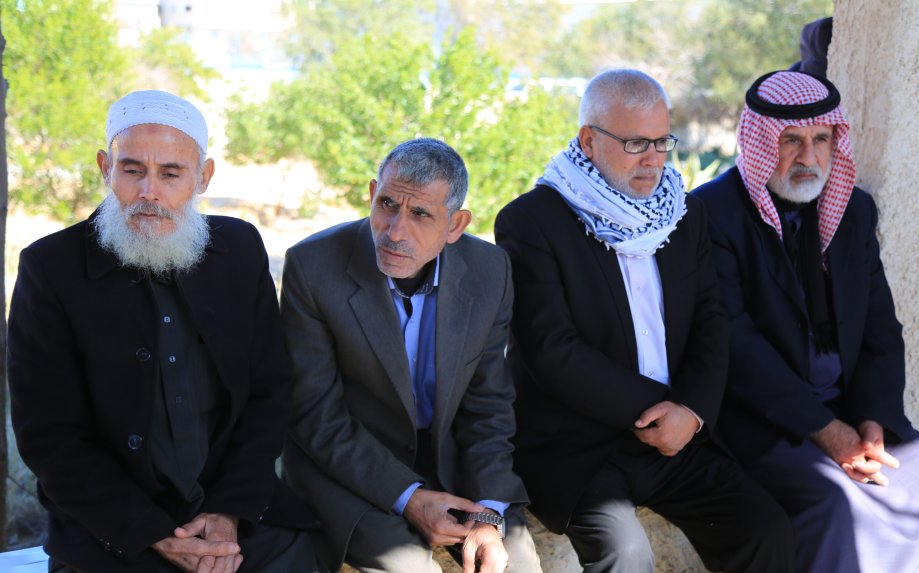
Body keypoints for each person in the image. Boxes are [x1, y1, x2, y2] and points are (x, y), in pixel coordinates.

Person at [8, 91, 322, 572]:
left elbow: (269, 392)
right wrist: (152, 534)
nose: (148, 192)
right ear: (105, 168)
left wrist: (228, 513)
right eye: (132, 170)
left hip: (235, 518)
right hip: (114, 530)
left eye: (171, 174)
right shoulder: (50, 268)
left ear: (203, 177)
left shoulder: (239, 250)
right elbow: (49, 435)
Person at [494, 68, 794, 573]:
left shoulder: (683, 214)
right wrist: (659, 409)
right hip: (579, 446)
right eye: (635, 143)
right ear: (589, 140)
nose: (653, 159)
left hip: (675, 437)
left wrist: (691, 411)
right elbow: (551, 349)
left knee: (766, 529)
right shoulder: (531, 221)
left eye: (661, 142)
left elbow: (711, 321)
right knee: (626, 556)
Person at [692, 70, 919, 572]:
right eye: (790, 140)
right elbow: (734, 345)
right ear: (760, 142)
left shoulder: (853, 210)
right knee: (843, 505)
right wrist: (827, 432)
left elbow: (881, 330)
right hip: (762, 422)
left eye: (821, 139)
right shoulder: (712, 213)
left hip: (851, 412)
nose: (809, 157)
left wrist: (873, 420)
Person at [280, 138, 542, 573]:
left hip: (450, 462)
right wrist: (411, 499)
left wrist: (488, 513)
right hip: (350, 469)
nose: (395, 231)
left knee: (518, 567)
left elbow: (488, 405)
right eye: (387, 204)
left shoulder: (490, 270)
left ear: (456, 225)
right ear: (372, 193)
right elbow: (316, 416)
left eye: (420, 214)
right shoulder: (313, 266)